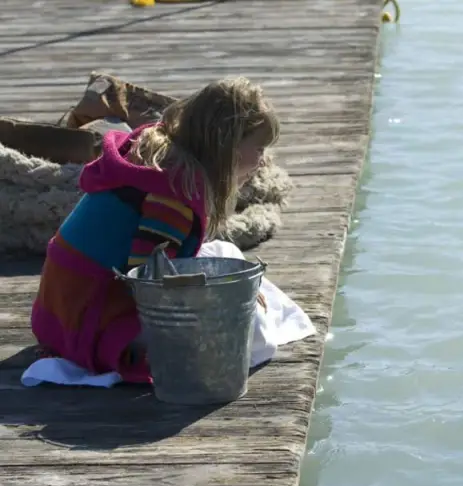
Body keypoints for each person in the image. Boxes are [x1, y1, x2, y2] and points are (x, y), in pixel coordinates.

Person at [30, 76, 281, 384]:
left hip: (58, 311)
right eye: (258, 148)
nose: (263, 161)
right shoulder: (173, 193)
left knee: (226, 254)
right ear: (226, 144)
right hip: (90, 320)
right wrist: (226, 300)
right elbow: (149, 284)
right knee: (253, 331)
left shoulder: (163, 158)